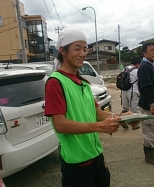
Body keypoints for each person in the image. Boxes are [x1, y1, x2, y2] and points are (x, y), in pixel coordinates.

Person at [44, 29, 122, 187]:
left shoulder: (83, 83)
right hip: (77, 165)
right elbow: (60, 124)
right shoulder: (55, 82)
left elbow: (97, 113)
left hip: (96, 157)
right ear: (63, 51)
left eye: (85, 49)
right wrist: (100, 127)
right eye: (77, 48)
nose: (82, 53)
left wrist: (124, 117)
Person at [137, 42, 154, 166]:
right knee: (150, 129)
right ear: (144, 53)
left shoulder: (150, 65)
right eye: (151, 50)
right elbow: (145, 88)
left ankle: (152, 148)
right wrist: (152, 105)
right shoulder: (144, 67)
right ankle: (149, 155)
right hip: (150, 105)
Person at [121, 56, 141, 130]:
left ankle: (123, 121)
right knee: (134, 108)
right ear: (138, 63)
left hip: (124, 91)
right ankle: (134, 125)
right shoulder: (137, 71)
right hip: (133, 91)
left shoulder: (124, 69)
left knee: (125, 108)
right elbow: (139, 83)